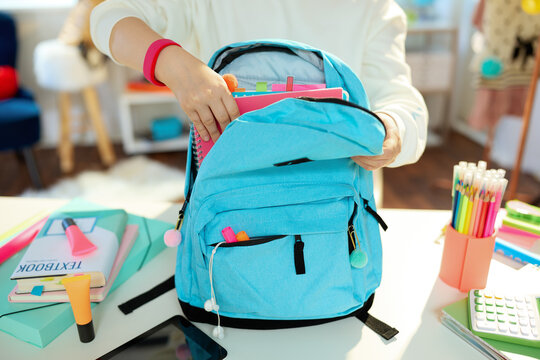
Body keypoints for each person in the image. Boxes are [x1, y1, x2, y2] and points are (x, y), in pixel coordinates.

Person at [90, 0, 427, 170]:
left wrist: (391, 129)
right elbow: (110, 17)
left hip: (336, 215)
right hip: (231, 201)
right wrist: (176, 65)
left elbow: (402, 102)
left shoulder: (375, 8)